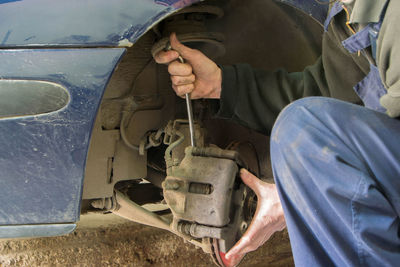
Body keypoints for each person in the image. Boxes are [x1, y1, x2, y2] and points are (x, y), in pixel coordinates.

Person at [155, 0, 400, 266]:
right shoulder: (348, 15)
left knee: (301, 127)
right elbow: (329, 100)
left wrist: (300, 188)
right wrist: (220, 85)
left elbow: (316, 131)